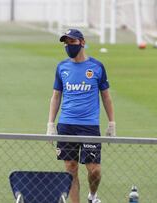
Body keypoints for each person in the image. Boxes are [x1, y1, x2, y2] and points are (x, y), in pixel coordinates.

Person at [46, 29, 116, 203]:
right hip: (66, 124)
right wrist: (50, 123)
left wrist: (111, 122)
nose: (69, 46)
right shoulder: (62, 67)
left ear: (82, 42)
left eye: (72, 42)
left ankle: (92, 196)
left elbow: (106, 96)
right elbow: (56, 96)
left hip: (89, 126)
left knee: (94, 170)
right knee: (71, 168)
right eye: (66, 43)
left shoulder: (97, 67)